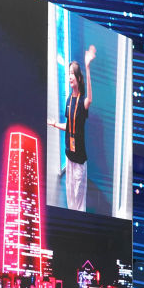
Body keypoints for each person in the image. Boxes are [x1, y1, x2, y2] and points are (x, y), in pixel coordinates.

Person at [48, 45, 94, 212]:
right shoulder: (69, 100)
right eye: (68, 73)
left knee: (79, 200)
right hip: (69, 156)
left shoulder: (83, 101)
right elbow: (69, 126)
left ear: (78, 78)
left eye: (72, 74)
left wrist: (87, 67)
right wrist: (55, 124)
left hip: (79, 159)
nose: (69, 77)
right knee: (70, 198)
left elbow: (90, 99)